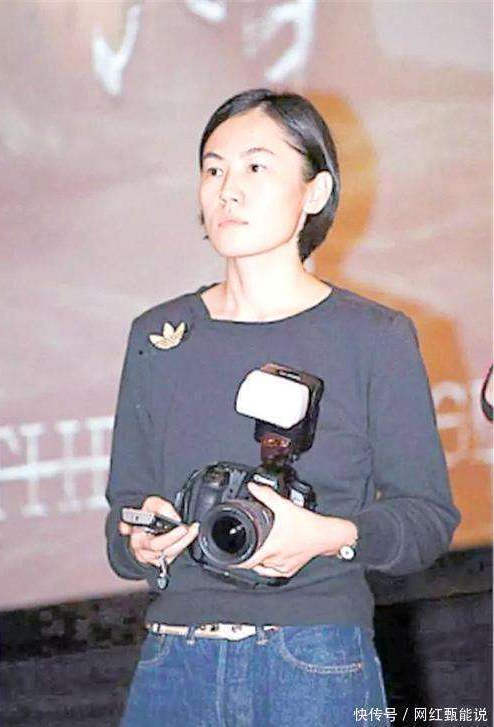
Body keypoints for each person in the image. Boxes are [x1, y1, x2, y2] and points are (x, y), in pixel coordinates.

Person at [105, 88, 461, 726]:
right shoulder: (158, 336)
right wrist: (142, 541)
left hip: (315, 662)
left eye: (256, 167)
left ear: (315, 192)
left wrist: (331, 536)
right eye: (213, 169)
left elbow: (427, 519)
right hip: (175, 661)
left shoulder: (373, 336)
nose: (228, 191)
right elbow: (121, 522)